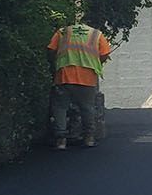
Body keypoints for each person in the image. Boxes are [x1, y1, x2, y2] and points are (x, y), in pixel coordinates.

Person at [47, 18, 112, 149]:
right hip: (87, 77)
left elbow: (50, 50)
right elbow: (105, 53)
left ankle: (61, 141)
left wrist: (54, 64)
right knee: (87, 108)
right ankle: (89, 138)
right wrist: (96, 62)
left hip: (64, 75)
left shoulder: (63, 32)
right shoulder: (96, 34)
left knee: (60, 108)